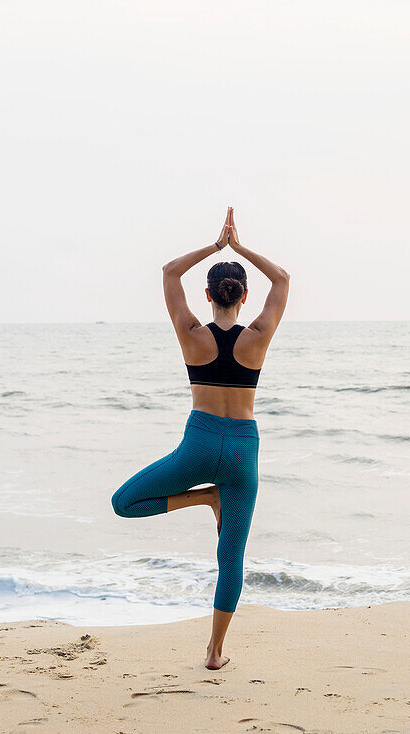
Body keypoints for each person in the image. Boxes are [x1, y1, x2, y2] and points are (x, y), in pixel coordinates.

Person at [110, 206, 290, 670]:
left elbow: (170, 271)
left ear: (207, 294)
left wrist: (216, 246)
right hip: (243, 451)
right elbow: (284, 280)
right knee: (231, 556)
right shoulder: (258, 335)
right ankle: (214, 653)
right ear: (244, 296)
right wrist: (240, 246)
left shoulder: (191, 333)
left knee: (124, 502)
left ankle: (204, 498)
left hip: (199, 443)